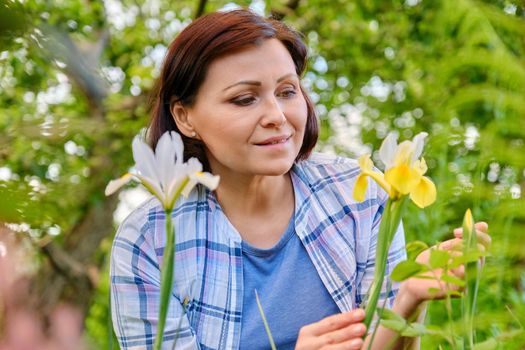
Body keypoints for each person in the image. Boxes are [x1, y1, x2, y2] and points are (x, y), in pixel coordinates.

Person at [110, 9, 490, 350]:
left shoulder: (358, 195)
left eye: (287, 91)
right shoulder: (148, 242)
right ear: (184, 116)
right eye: (245, 99)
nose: (277, 115)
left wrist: (408, 297)